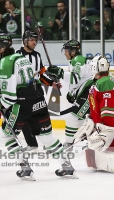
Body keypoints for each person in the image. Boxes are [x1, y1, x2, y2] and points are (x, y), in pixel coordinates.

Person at [0, 32, 76, 180]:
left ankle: (25, 168)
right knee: (47, 137)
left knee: (7, 134)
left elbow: (9, 96)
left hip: (22, 104)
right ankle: (67, 166)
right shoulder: (21, 58)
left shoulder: (5, 63)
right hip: (39, 101)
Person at [15, 30, 59, 151]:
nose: (34, 42)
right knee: (24, 118)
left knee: (43, 117)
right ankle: (32, 144)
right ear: (25, 41)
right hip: (23, 92)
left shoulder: (37, 55)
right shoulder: (17, 55)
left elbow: (41, 74)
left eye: (36, 40)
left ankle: (49, 142)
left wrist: (52, 83)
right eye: (32, 40)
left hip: (37, 92)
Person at [47, 40, 94, 151]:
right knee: (85, 120)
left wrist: (59, 72)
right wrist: (71, 93)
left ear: (73, 51)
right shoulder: (77, 60)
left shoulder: (77, 60)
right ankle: (93, 141)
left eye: (66, 51)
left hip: (88, 94)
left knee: (72, 117)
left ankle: (69, 144)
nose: (65, 53)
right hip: (88, 93)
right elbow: (79, 81)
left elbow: (74, 78)